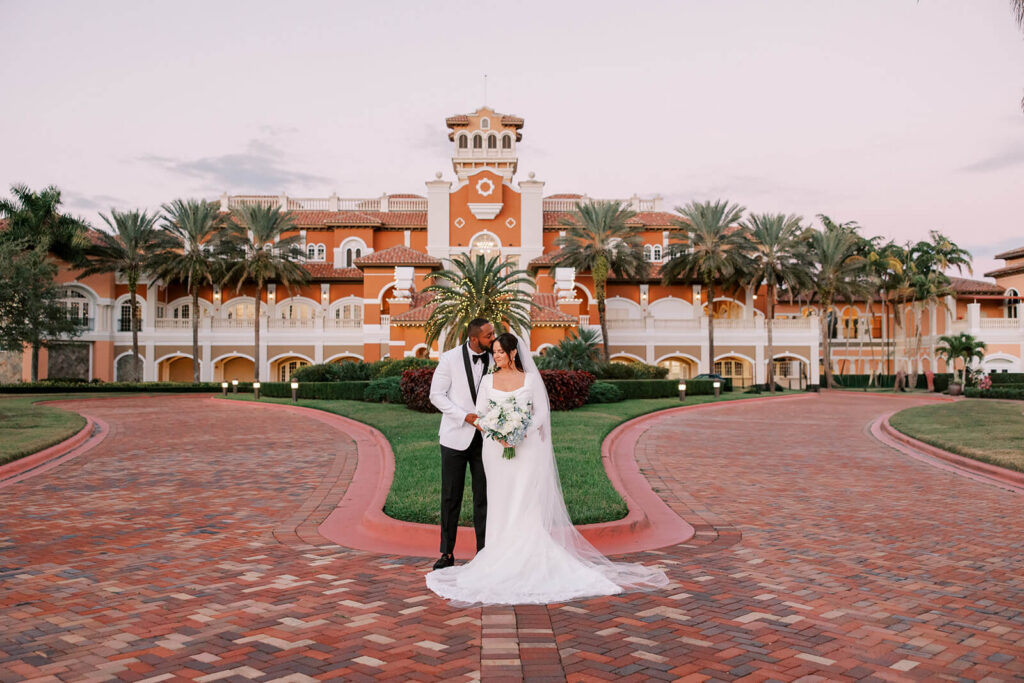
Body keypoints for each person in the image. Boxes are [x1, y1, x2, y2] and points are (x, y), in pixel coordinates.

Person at [426, 332, 669, 606]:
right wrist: (497, 432)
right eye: (493, 352)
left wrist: (519, 432)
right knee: (499, 502)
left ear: (513, 353)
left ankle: (528, 558)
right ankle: (497, 555)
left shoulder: (530, 380)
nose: (495, 357)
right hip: (494, 450)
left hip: (526, 448)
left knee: (524, 501)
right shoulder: (488, 380)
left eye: (500, 352)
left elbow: (541, 412)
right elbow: (481, 413)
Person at [428, 318, 496, 570]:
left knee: (484, 497)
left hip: (486, 440)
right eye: (489, 335)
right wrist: (464, 416)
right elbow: (436, 395)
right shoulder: (449, 359)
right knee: (450, 497)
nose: (493, 338)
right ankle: (446, 553)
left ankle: (484, 552)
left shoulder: (495, 358)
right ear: (475, 338)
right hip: (454, 438)